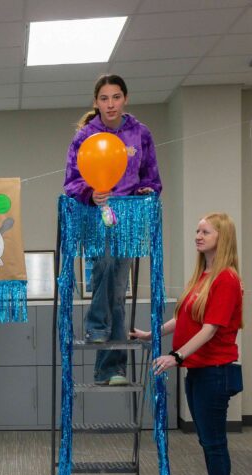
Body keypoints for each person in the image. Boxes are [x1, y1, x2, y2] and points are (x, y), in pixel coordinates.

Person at [133, 212, 244, 475]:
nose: (198, 236)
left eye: (205, 232)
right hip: (197, 370)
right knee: (206, 441)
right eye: (197, 231)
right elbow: (184, 319)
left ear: (222, 237)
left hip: (215, 371)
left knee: (215, 443)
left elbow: (210, 329)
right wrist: (151, 334)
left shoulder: (226, 279)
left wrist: (176, 356)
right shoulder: (202, 276)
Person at [64, 74, 162, 386]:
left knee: (119, 290)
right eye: (104, 98)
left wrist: (147, 190)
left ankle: (111, 369)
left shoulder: (140, 133)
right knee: (104, 264)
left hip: (128, 217)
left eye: (116, 97)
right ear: (96, 102)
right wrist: (89, 193)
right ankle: (95, 326)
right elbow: (71, 182)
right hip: (97, 215)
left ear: (125, 99)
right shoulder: (85, 136)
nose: (110, 104)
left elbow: (152, 177)